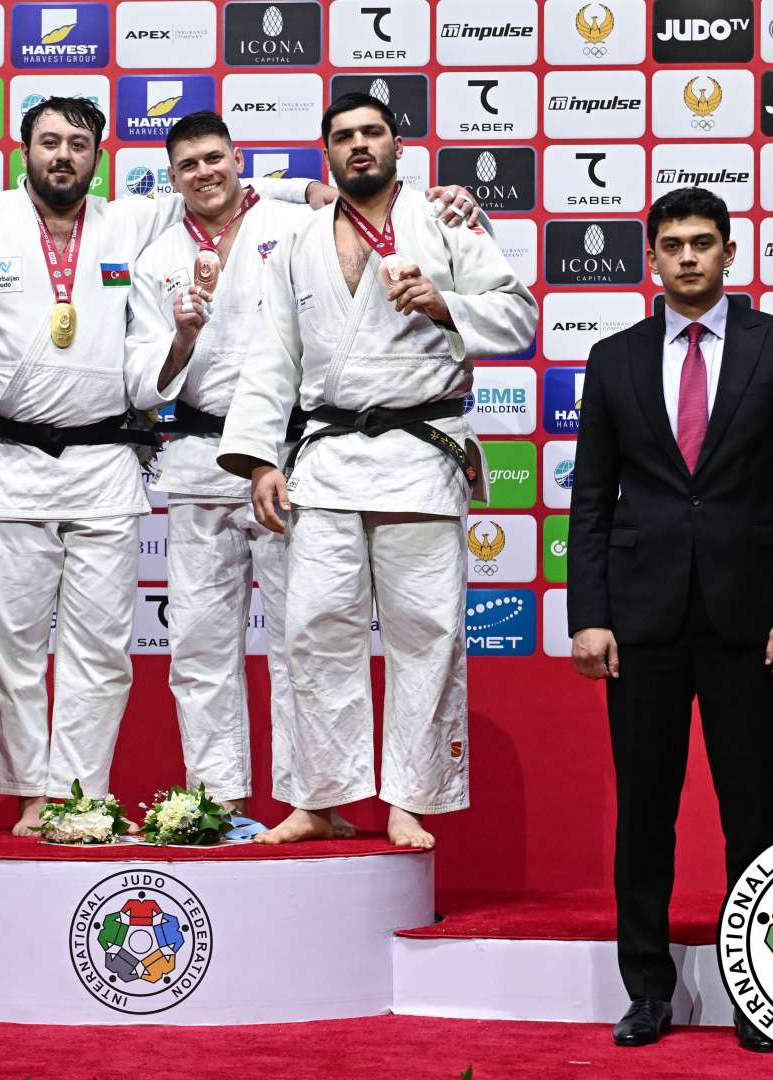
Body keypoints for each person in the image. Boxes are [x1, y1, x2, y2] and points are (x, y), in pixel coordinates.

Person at [0, 98, 327, 836]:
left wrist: (309, 189)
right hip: (6, 463)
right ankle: (29, 794)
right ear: (24, 152)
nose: (62, 155)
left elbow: (217, 189)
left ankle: (82, 795)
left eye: (78, 143)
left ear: (97, 157)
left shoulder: (130, 220)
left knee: (100, 651)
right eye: (48, 142)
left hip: (105, 463)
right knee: (8, 647)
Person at [126, 110, 483, 826]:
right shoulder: (156, 253)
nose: (204, 172)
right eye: (188, 164)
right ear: (170, 178)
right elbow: (148, 382)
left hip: (298, 457)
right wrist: (184, 342)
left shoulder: (296, 223)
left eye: (216, 158)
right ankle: (222, 802)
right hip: (206, 458)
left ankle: (330, 798)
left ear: (239, 159)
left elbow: (336, 202)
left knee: (318, 637)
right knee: (208, 646)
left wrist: (451, 206)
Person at [217, 93, 538, 848]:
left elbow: (519, 316)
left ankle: (410, 799)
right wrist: (260, 458)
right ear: (326, 152)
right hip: (327, 457)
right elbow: (273, 353)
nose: (358, 145)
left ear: (397, 144)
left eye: (371, 133)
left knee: (426, 633)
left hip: (420, 453)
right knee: (312, 630)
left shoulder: (445, 218)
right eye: (343, 136)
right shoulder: (299, 240)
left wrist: (446, 305)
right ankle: (319, 798)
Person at [567, 186, 773, 1051]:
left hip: (750, 620)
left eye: (702, 242)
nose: (687, 256)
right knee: (644, 814)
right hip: (639, 620)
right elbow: (590, 501)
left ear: (728, 252)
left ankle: (764, 992)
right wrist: (588, 615)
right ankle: (646, 992)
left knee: (752, 813)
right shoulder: (612, 358)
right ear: (650, 257)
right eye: (672, 244)